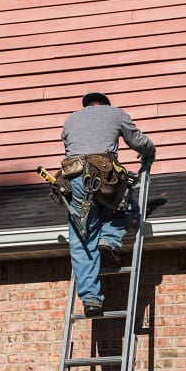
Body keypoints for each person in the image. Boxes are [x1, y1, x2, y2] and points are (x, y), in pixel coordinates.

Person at [61, 92, 156, 316]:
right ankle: (109, 238)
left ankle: (91, 299)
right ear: (105, 104)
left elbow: (70, 145)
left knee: (82, 237)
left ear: (85, 107)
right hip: (105, 176)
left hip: (75, 179)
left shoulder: (70, 120)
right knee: (128, 206)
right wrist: (150, 151)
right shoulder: (116, 114)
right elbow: (137, 141)